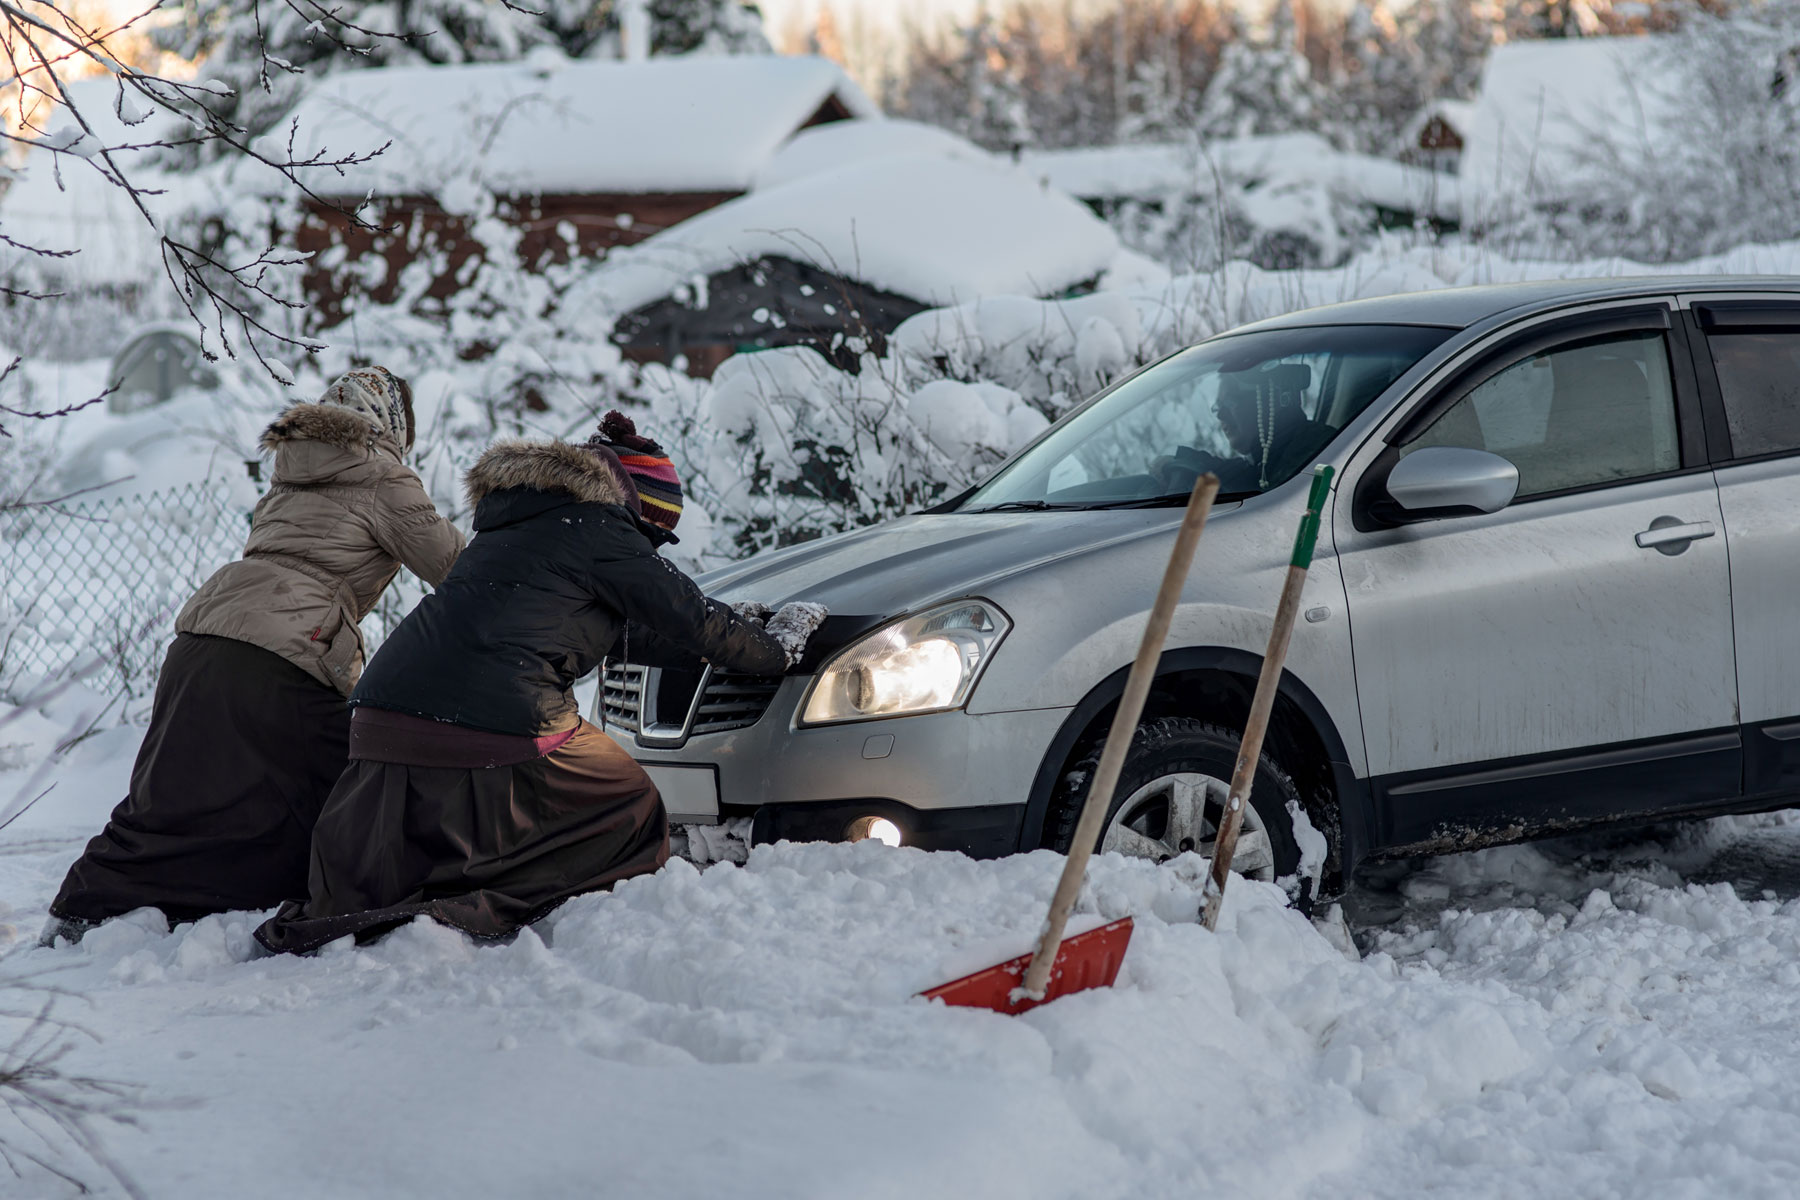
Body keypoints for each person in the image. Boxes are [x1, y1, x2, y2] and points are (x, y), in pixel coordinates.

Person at [254, 412, 826, 954]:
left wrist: (735, 623)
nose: (647, 551)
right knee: (627, 799)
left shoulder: (521, 525)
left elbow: (631, 632)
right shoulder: (601, 529)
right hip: (494, 715)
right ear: (635, 508)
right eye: (652, 537)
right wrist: (776, 648)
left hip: (384, 713)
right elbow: (691, 620)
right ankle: (524, 899)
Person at [43, 368, 464, 943]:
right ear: (392, 424)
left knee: (175, 790)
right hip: (285, 651)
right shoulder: (385, 476)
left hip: (202, 637)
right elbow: (459, 573)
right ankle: (359, 904)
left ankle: (84, 909)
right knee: (353, 785)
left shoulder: (290, 474)